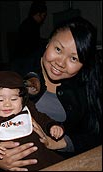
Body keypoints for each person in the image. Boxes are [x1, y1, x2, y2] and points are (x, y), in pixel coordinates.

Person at [24, 16, 102, 158]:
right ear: (48, 42)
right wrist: (2, 159)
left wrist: (62, 143)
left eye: (73, 58)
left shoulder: (84, 87)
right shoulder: (18, 71)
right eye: (58, 49)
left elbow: (95, 134)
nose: (61, 63)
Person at [0, 71, 65, 171]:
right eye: (0, 100)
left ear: (23, 99)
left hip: (47, 161)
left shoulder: (28, 110)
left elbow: (42, 119)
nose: (7, 104)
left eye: (14, 99)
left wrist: (52, 126)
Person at [11, 1, 47, 76]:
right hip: (25, 59)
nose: (43, 19)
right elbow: (34, 44)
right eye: (43, 16)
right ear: (38, 14)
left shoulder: (27, 23)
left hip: (20, 58)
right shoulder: (32, 25)